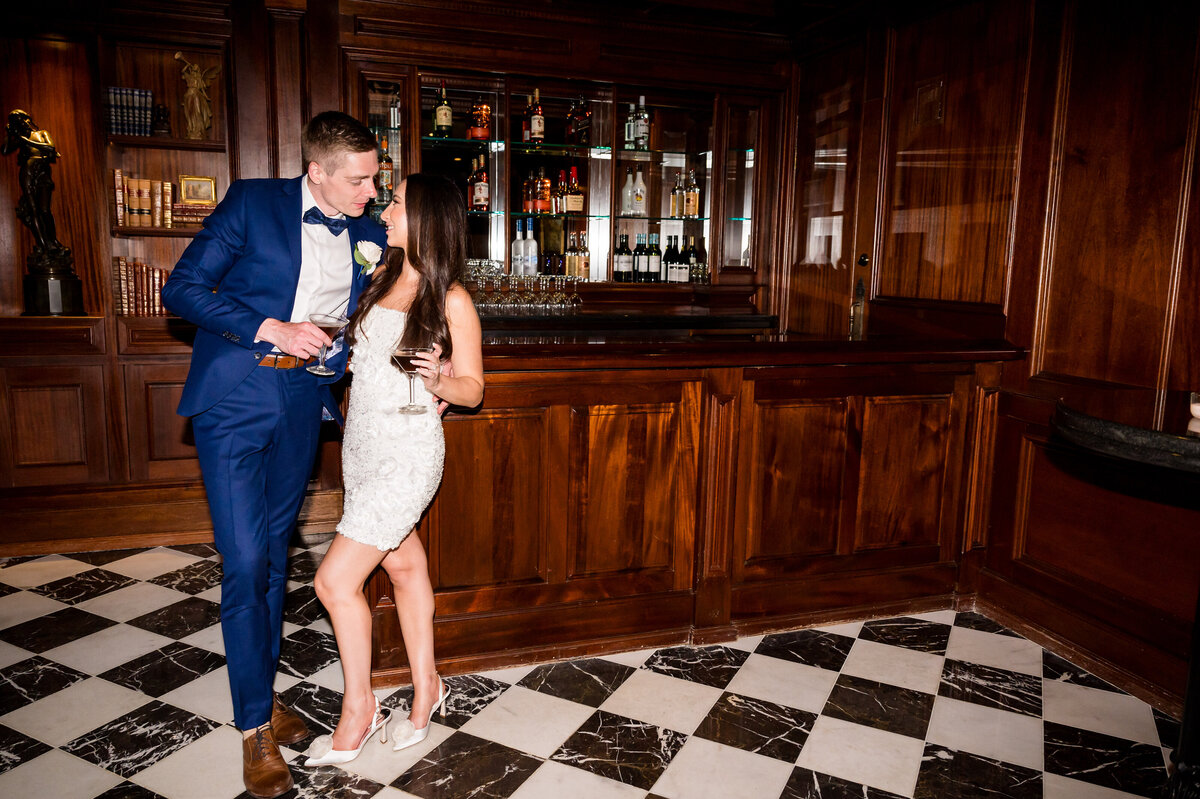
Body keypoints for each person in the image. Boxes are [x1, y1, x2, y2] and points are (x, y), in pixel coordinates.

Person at [161, 111, 387, 798]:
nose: (371, 192)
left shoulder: (370, 233)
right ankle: (254, 725)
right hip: (234, 398)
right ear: (316, 171)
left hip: (301, 407)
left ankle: (264, 692)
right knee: (248, 559)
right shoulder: (253, 203)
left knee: (276, 558)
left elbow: (367, 315)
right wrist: (269, 327)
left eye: (375, 177)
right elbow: (182, 289)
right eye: (359, 179)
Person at [301, 174, 483, 767]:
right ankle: (428, 687)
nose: (386, 208)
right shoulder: (380, 276)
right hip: (362, 448)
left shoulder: (451, 297)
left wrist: (439, 381)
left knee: (334, 583)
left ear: (424, 216)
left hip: (407, 456)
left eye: (398, 201)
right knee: (404, 568)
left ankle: (360, 708)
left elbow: (475, 389)